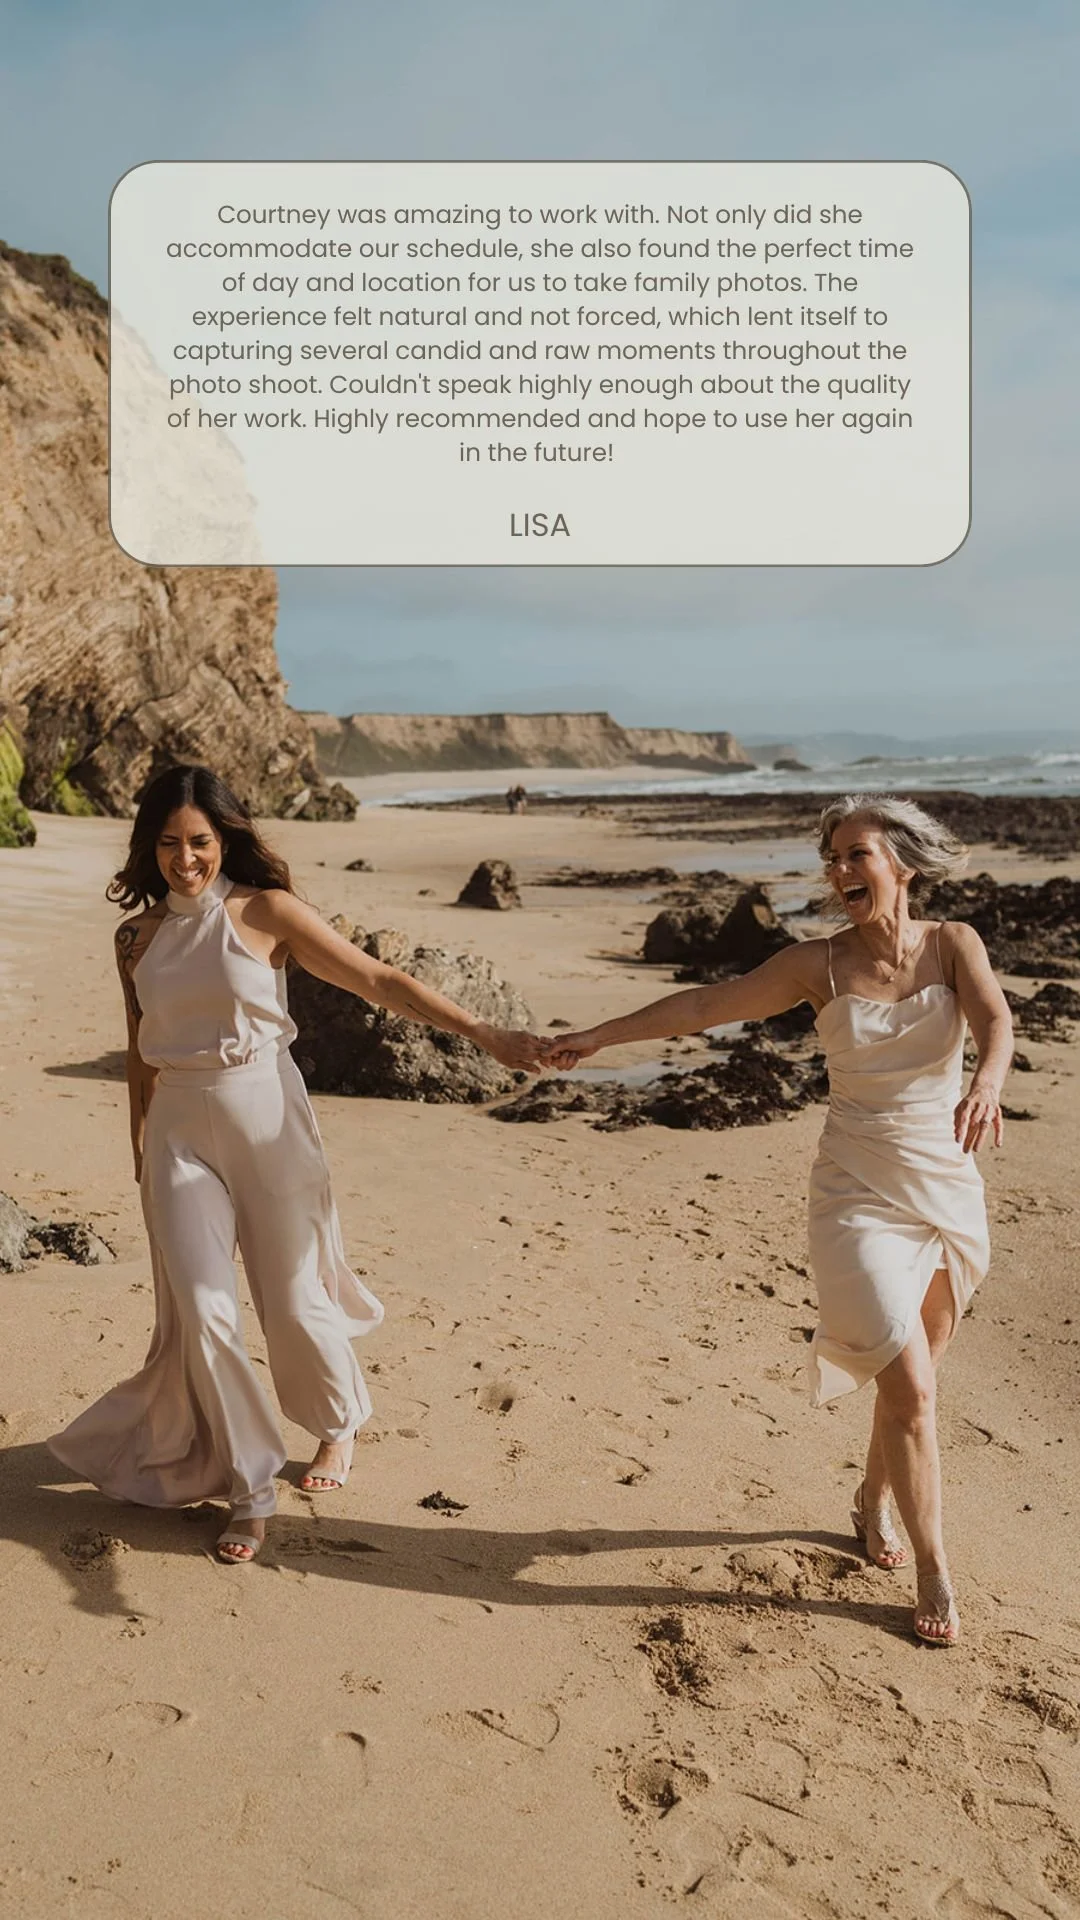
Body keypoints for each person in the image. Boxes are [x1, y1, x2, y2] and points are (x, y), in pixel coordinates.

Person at [543, 794, 1013, 1647]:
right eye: (831, 858)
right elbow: (702, 1007)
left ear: (900, 863)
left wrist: (987, 1080)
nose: (838, 873)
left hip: (946, 1181)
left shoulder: (954, 944)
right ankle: (937, 1565)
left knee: (919, 1368)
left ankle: (872, 1499)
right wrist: (597, 1037)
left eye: (855, 854)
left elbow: (995, 1019)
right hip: (856, 1189)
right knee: (908, 1384)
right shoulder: (817, 965)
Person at [49, 766, 542, 1564]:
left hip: (268, 1117)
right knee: (203, 1312)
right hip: (177, 1128)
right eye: (169, 844)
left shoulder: (265, 910)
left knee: (292, 1300)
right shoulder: (134, 937)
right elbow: (142, 1054)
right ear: (150, 845)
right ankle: (251, 1489)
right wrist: (141, 1147)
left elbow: (380, 980)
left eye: (200, 842)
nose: (186, 860)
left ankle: (339, 1425)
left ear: (225, 838)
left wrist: (486, 1034)